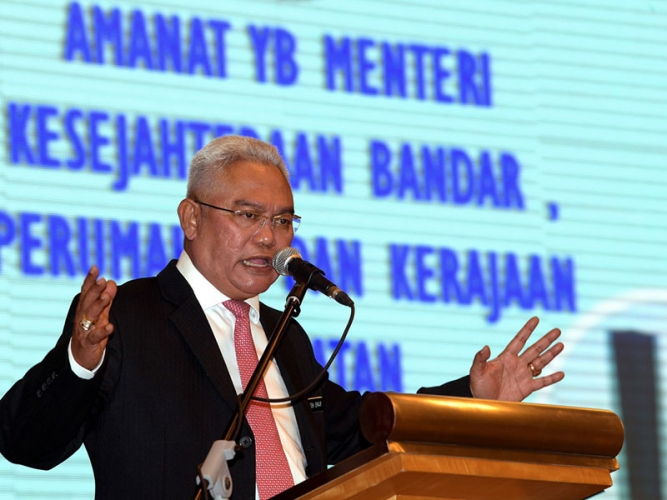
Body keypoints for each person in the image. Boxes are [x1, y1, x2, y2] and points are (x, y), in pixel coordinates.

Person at [0, 136, 564, 499]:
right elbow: (26, 443)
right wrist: (78, 362)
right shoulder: (129, 314)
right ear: (191, 219)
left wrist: (472, 395)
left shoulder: (285, 335)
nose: (270, 239)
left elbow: (360, 431)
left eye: (284, 220)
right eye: (248, 216)